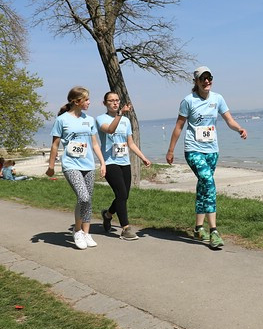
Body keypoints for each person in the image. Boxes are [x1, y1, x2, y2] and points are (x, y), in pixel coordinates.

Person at [165, 66, 247, 250]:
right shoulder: (188, 101)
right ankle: (214, 232)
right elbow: (179, 126)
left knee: (203, 186)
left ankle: (198, 228)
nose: (207, 81)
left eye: (209, 78)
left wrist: (239, 129)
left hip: (212, 150)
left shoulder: (218, 98)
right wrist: (171, 150)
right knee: (209, 182)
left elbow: (229, 120)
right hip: (193, 149)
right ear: (196, 82)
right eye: (203, 78)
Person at [46, 87, 106, 250]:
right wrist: (51, 166)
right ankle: (77, 231)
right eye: (86, 99)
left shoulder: (90, 120)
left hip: (88, 164)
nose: (89, 102)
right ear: (76, 101)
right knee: (83, 197)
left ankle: (87, 233)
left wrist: (102, 162)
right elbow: (55, 145)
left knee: (88, 200)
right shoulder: (62, 120)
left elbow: (94, 143)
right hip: (71, 164)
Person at [96, 91, 153, 240]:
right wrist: (120, 114)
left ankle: (108, 215)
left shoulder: (126, 121)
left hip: (124, 161)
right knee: (121, 194)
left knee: (124, 195)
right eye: (111, 101)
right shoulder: (100, 119)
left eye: (117, 100)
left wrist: (143, 157)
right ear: (105, 103)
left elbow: (130, 143)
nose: (115, 103)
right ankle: (126, 229)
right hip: (109, 162)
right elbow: (110, 130)